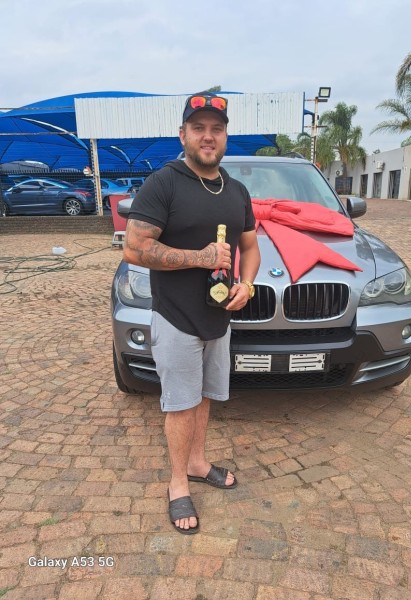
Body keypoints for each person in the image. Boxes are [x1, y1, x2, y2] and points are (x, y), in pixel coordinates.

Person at [122, 92, 261, 534]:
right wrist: (201, 258)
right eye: (198, 128)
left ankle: (198, 463)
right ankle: (177, 483)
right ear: (182, 134)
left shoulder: (236, 191)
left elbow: (250, 247)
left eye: (216, 129)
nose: (207, 136)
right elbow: (134, 249)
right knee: (181, 404)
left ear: (225, 137)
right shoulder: (164, 183)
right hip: (176, 316)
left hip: (218, 318)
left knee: (203, 396)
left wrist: (247, 285)